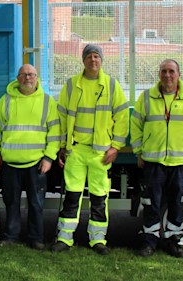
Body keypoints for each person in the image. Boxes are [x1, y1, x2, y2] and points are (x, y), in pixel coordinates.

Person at [51, 44, 129, 255]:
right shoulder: (71, 85)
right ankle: (64, 238)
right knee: (72, 195)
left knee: (99, 197)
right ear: (83, 60)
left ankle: (97, 240)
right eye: (89, 57)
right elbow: (61, 117)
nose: (93, 60)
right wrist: (61, 146)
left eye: (96, 56)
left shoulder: (112, 86)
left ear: (101, 60)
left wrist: (116, 147)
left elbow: (122, 118)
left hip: (101, 153)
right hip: (75, 151)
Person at [130, 59, 183, 258]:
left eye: (171, 71)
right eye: (163, 71)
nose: (167, 75)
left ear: (178, 75)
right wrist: (138, 152)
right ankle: (149, 242)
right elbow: (136, 125)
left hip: (180, 162)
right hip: (153, 161)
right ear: (159, 74)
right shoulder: (146, 97)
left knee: (177, 203)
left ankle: (173, 242)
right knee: (150, 203)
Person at [0, 64, 60, 250]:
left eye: (31, 75)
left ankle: (36, 238)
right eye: (23, 75)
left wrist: (49, 158)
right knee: (11, 202)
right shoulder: (5, 100)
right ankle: (11, 235)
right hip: (9, 163)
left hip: (37, 163)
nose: (27, 78)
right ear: (17, 78)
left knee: (36, 204)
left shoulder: (47, 101)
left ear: (37, 78)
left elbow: (55, 133)